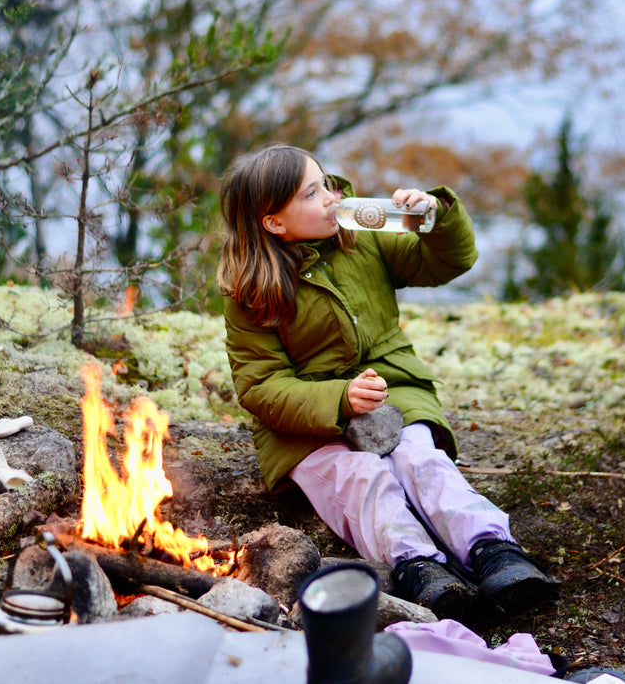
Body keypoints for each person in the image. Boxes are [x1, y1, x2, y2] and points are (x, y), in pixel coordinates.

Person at [217, 144, 559, 621]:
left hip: (392, 391)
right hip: (304, 431)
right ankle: (418, 567)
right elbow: (261, 386)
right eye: (312, 194)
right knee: (362, 479)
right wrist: (339, 398)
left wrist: (434, 218)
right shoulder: (251, 292)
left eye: (326, 183)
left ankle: (494, 551)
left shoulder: (362, 235)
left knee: (420, 459)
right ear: (273, 222)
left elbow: (446, 263)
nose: (332, 198)